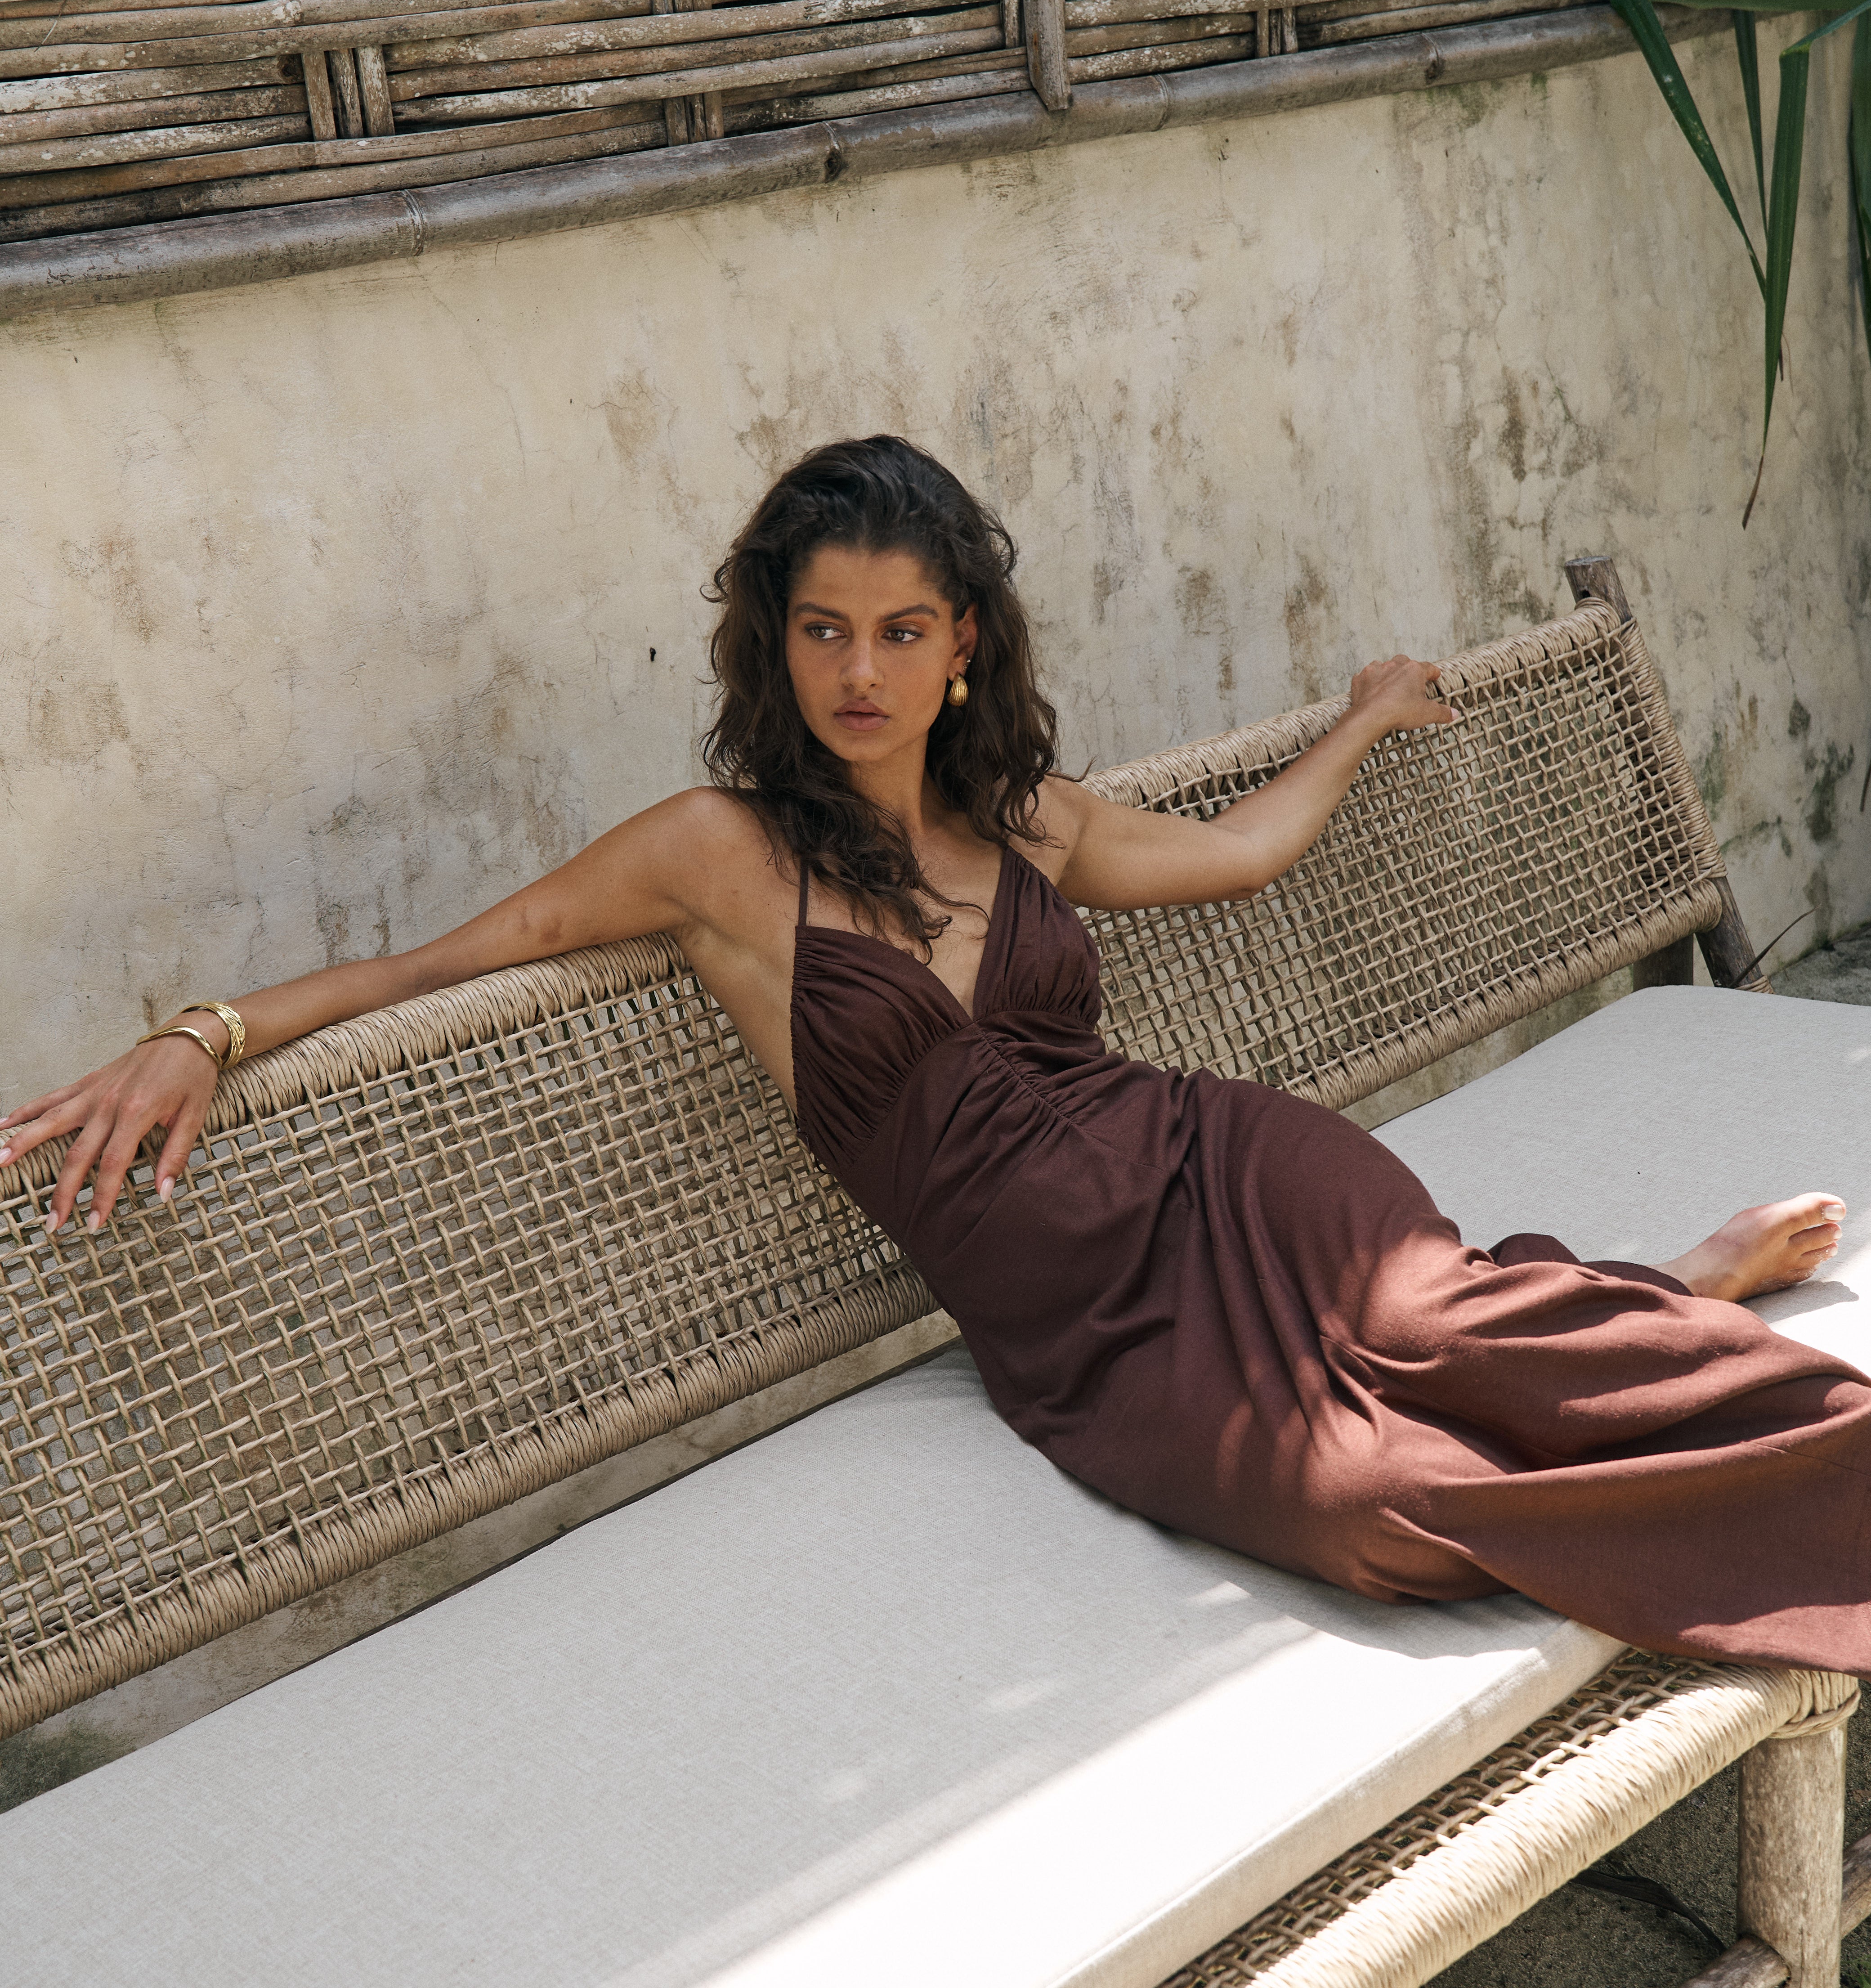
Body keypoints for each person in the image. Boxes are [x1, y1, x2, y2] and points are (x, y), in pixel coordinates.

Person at [6, 436, 1865, 1669]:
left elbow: (1234, 856)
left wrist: (1371, 717)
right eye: (822, 631)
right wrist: (206, 1033)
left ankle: (1698, 1336)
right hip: (1082, 1330)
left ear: (961, 645)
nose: (860, 672)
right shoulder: (718, 858)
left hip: (1231, 1173)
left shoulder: (1023, 816)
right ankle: (1670, 1311)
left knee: (1450, 1330)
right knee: (1379, 1513)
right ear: (774, 644)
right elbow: (438, 961)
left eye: (901, 631)